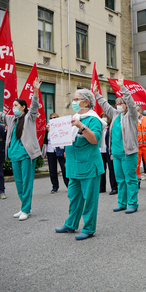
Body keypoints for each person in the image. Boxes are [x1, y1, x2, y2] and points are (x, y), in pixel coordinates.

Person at [0, 77, 42, 221]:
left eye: (16, 105)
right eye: (13, 105)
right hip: (14, 155)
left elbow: (34, 106)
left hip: (26, 155)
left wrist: (36, 90)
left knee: (27, 182)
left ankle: (26, 209)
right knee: (19, 183)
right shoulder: (11, 119)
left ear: (23, 107)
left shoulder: (29, 117)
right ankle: (24, 207)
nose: (13, 107)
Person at [55, 88, 106, 240]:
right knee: (74, 196)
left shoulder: (93, 119)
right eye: (74, 99)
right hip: (74, 165)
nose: (74, 102)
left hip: (89, 165)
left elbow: (95, 140)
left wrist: (81, 127)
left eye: (77, 99)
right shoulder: (74, 117)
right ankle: (71, 224)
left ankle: (89, 228)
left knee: (89, 198)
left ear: (86, 102)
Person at [94, 73, 140, 214]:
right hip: (116, 153)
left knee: (130, 179)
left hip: (129, 153)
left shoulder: (132, 115)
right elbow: (104, 105)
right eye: (117, 103)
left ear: (126, 105)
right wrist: (96, 94)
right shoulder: (115, 115)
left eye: (121, 103)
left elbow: (132, 104)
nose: (118, 105)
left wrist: (122, 88)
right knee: (120, 179)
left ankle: (133, 203)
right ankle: (122, 203)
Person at [44, 113, 69, 194]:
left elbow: (66, 140)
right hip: (51, 150)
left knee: (64, 169)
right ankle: (55, 186)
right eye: (51, 118)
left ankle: (68, 185)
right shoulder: (48, 129)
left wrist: (65, 151)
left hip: (60, 150)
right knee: (52, 169)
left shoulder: (62, 128)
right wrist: (47, 131)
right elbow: (45, 141)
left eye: (54, 117)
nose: (52, 119)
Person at [100, 112, 117, 195]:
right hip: (100, 151)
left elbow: (112, 140)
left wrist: (112, 152)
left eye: (105, 116)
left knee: (111, 170)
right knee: (101, 170)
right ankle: (102, 187)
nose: (103, 118)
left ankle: (114, 187)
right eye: (102, 116)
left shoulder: (111, 127)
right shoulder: (100, 127)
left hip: (108, 151)